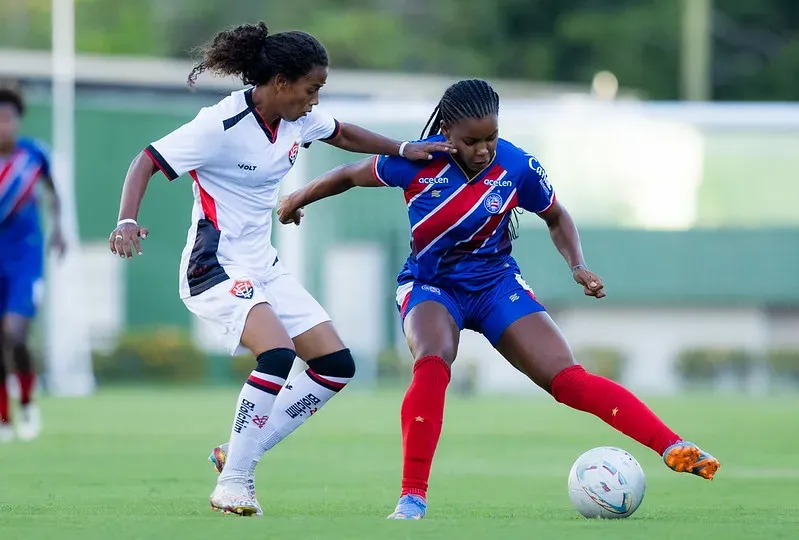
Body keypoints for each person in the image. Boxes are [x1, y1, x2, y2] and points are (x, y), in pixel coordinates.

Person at [276, 79, 721, 520]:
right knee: (433, 361)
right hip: (432, 286)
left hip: (495, 286)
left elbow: (557, 216)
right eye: (472, 140)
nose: (484, 148)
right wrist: (298, 197)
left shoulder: (517, 166)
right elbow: (348, 175)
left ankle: (673, 445)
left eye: (490, 137)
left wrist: (577, 265)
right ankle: (412, 498)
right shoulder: (416, 160)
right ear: (447, 130)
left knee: (567, 380)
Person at [108, 22, 453, 517]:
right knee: (276, 354)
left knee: (335, 366)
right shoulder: (218, 125)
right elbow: (146, 161)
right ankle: (234, 483)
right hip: (215, 267)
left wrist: (401, 148)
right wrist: (126, 220)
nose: (315, 101)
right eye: (312, 89)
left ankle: (237, 450)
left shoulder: (296, 119)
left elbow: (344, 132)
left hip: (263, 267)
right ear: (280, 83)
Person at [0, 84, 66, 443]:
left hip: (24, 256)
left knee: (15, 333)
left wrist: (59, 231)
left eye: (8, 118)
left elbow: (55, 193)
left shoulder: (34, 155)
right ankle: (3, 419)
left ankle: (26, 402)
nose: (3, 125)